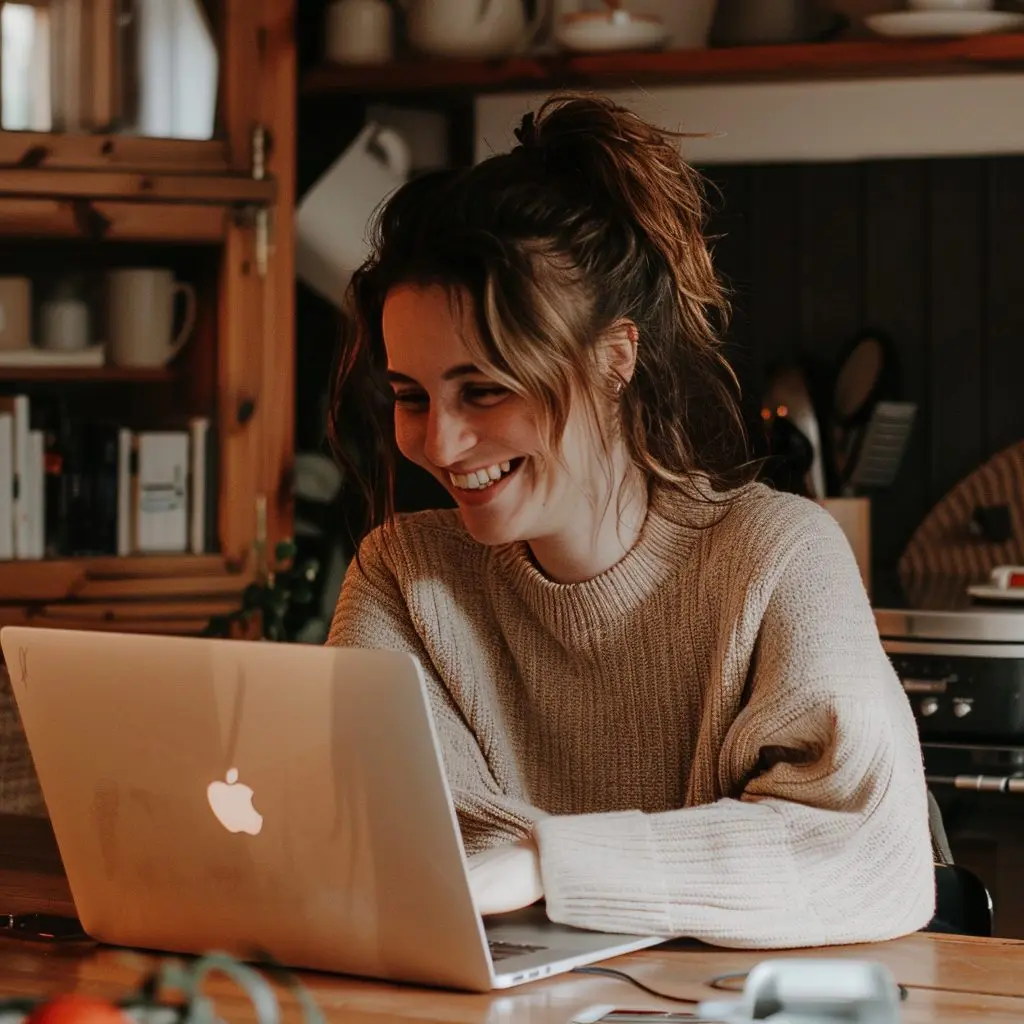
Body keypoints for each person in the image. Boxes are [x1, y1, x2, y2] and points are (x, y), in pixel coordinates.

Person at [326, 93, 935, 949]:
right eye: (409, 396)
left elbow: (867, 854)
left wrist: (546, 862)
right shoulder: (401, 575)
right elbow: (398, 844)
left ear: (615, 360)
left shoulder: (779, 557)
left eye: (485, 389)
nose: (441, 440)